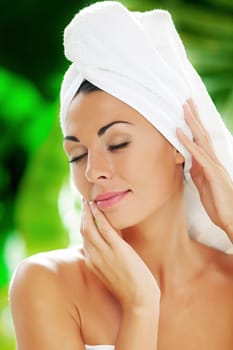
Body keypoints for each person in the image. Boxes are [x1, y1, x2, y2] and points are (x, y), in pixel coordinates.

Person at [9, 2, 233, 350]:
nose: (93, 171)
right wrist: (140, 309)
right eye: (77, 155)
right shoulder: (47, 284)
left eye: (117, 143)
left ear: (178, 145)